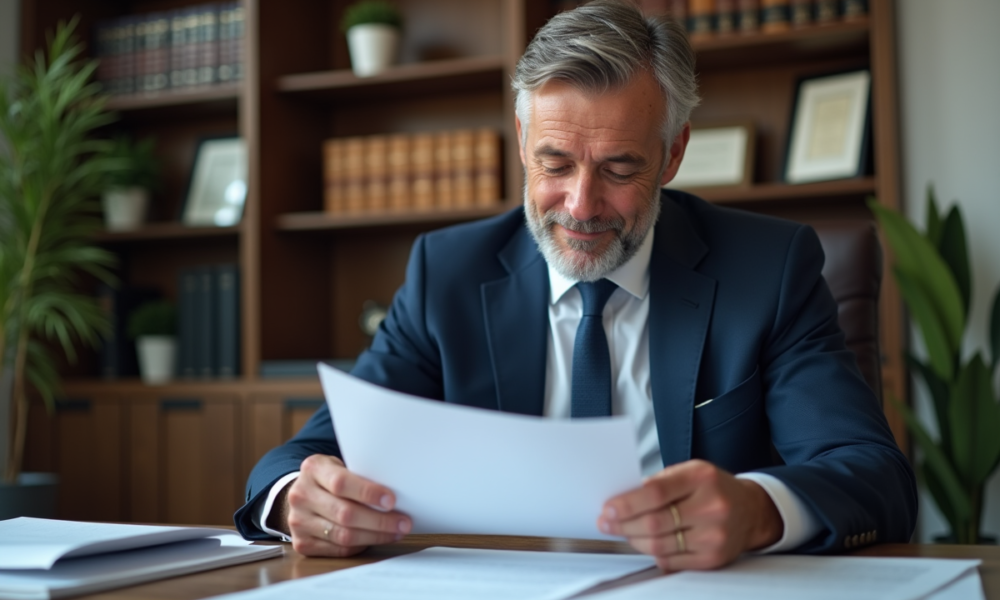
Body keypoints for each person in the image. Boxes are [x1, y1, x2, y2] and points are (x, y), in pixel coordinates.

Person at [235, 0, 916, 571]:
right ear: (523, 138)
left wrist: (759, 511)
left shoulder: (767, 269)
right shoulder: (448, 273)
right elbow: (304, 457)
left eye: (620, 168)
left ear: (673, 152)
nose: (582, 206)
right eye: (554, 163)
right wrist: (298, 495)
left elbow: (873, 475)